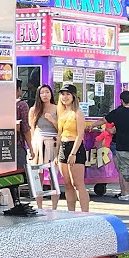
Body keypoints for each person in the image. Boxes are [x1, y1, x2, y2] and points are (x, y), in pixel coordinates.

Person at [56, 83, 90, 213]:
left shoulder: (78, 112)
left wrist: (73, 153)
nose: (65, 97)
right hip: (63, 147)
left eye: (68, 94)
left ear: (74, 96)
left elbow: (80, 134)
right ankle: (71, 212)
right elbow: (59, 134)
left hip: (75, 147)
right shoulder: (62, 113)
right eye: (63, 94)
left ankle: (85, 213)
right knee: (67, 184)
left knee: (78, 184)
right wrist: (56, 153)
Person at [28, 83, 60, 212]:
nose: (45, 95)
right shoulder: (33, 109)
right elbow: (31, 129)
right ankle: (39, 206)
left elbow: (61, 129)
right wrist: (31, 148)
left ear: (51, 94)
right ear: (38, 95)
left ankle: (54, 207)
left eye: (47, 92)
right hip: (38, 142)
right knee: (38, 175)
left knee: (53, 175)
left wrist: (52, 120)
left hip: (52, 142)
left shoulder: (57, 108)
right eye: (42, 93)